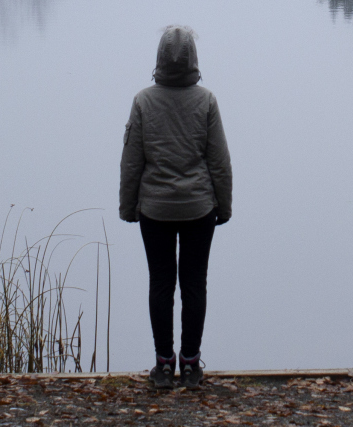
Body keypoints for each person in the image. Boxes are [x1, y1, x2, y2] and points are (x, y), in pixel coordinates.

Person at [119, 25, 232, 390]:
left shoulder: (143, 101)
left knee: (161, 283)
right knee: (194, 284)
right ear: (193, 61)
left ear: (159, 60)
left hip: (155, 210)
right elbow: (219, 163)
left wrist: (127, 205)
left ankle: (164, 365)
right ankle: (192, 364)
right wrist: (224, 206)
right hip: (200, 209)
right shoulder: (207, 101)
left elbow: (132, 162)